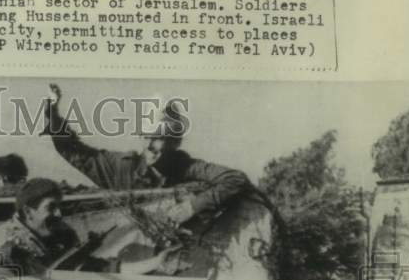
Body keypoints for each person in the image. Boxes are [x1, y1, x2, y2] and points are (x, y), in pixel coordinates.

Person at [44, 83, 256, 223]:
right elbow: (73, 151)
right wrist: (52, 112)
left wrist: (192, 206)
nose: (154, 146)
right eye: (148, 137)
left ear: (175, 143)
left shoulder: (185, 166)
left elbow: (235, 179)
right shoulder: (121, 167)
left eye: (162, 139)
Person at [0, 177, 179, 277]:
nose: (58, 214)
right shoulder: (9, 257)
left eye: (59, 207)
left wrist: (156, 262)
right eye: (51, 207)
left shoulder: (61, 245)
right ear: (28, 212)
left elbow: (102, 269)